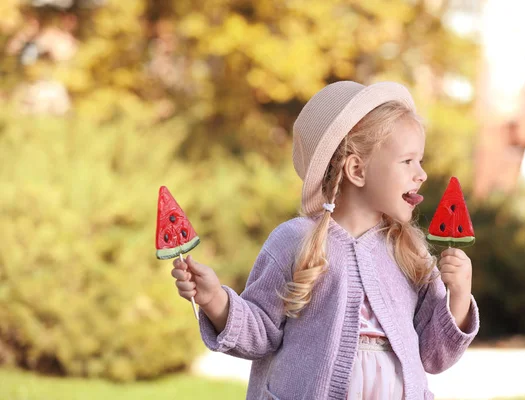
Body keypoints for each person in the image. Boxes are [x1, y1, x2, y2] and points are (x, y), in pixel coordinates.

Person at [171, 81, 479, 400]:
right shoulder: (294, 240)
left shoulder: (411, 253)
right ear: (357, 169)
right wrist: (213, 300)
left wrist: (458, 296)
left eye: (421, 161)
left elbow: (434, 355)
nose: (422, 174)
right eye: (408, 161)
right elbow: (260, 332)